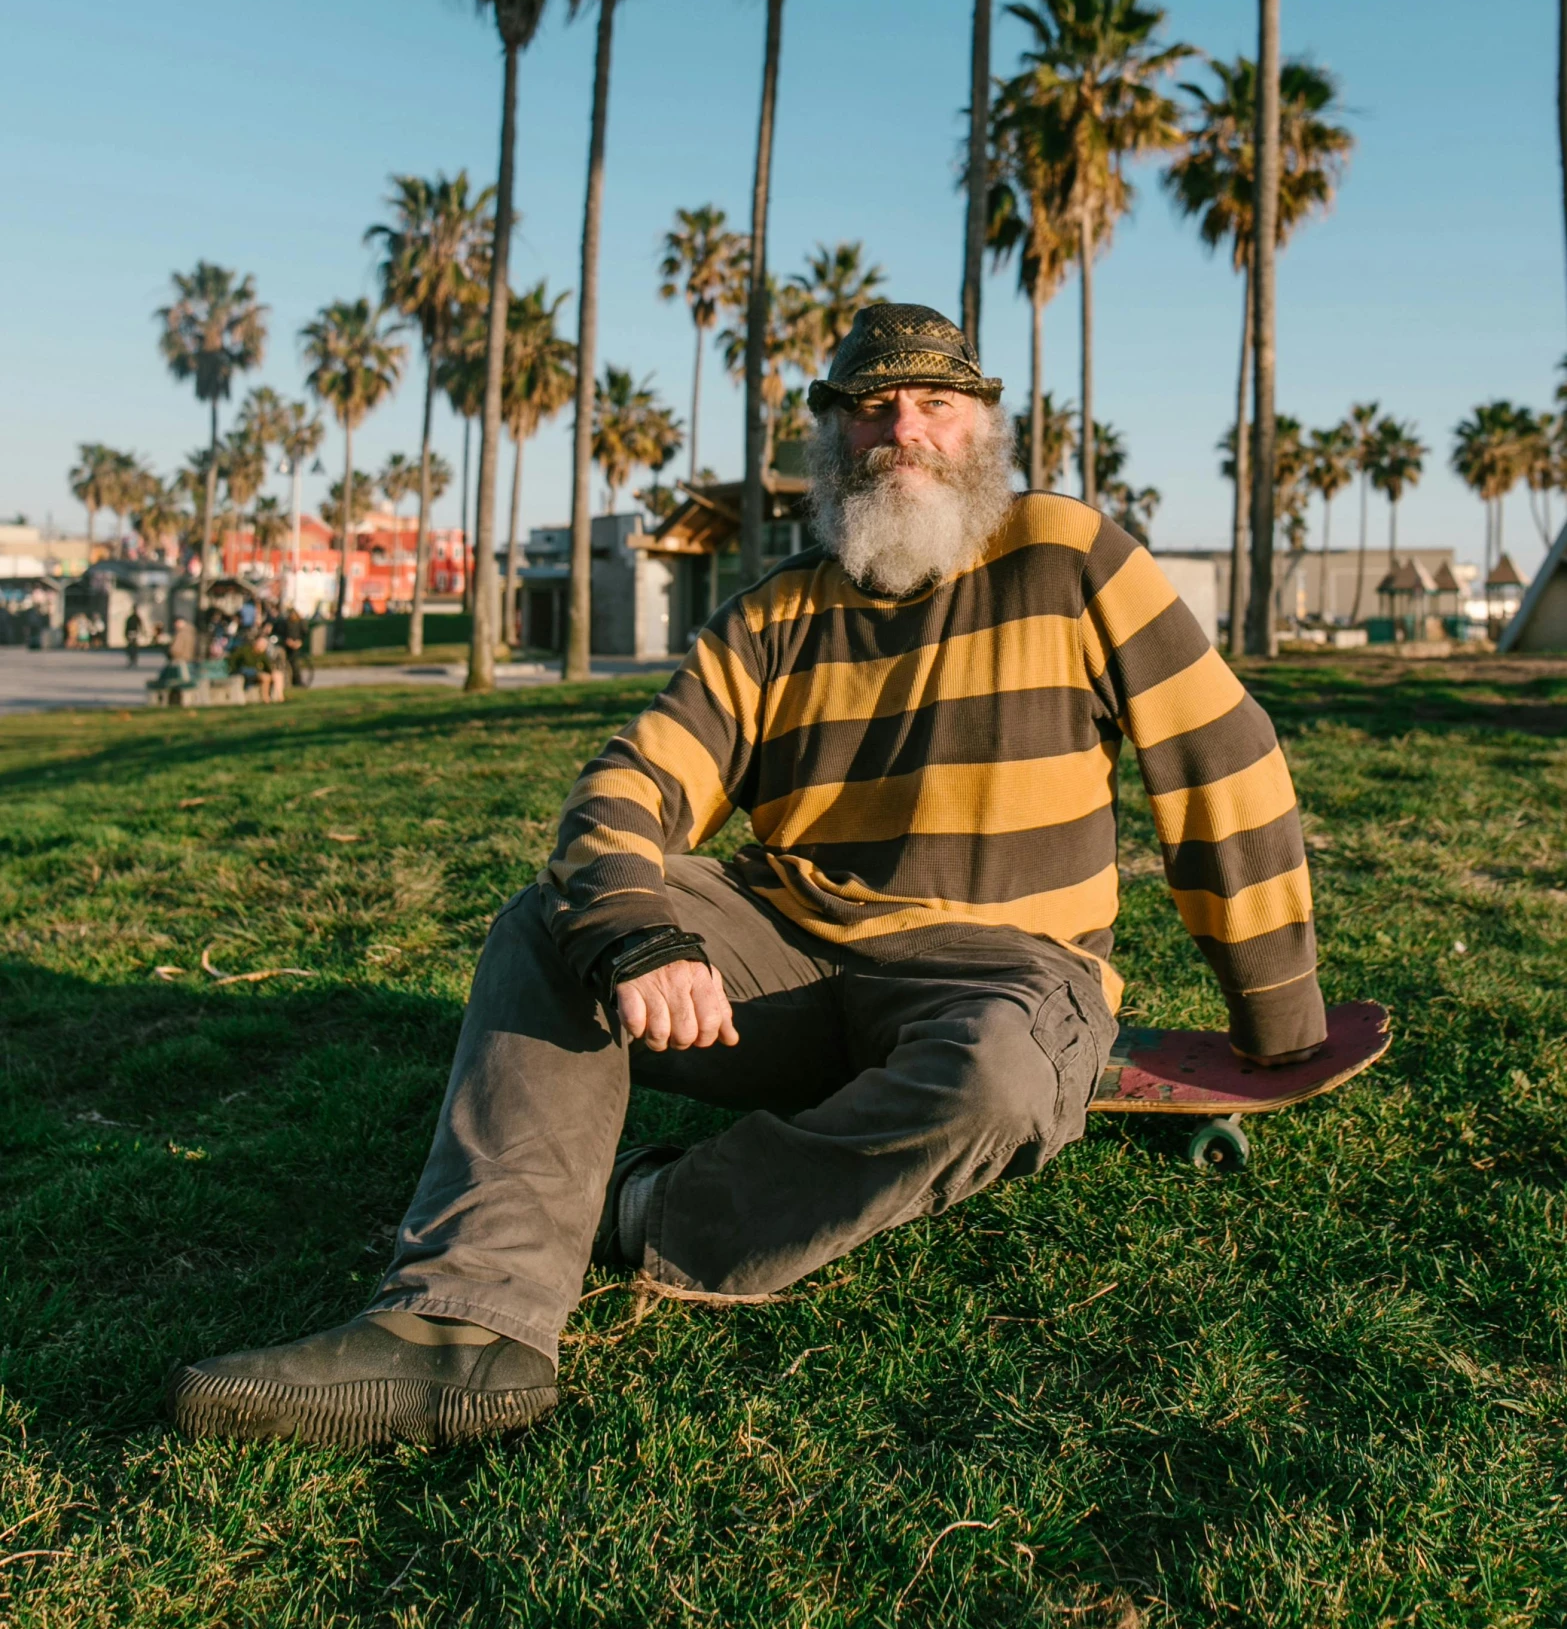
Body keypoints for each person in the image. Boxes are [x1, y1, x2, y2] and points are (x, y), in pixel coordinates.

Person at [168, 305, 1326, 1451]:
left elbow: (1219, 758)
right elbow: (628, 785)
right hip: (797, 958)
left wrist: (1274, 1026)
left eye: (934, 403)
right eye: (870, 409)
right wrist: (639, 931)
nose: (902, 431)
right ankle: (460, 1333)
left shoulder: (1067, 555)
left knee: (999, 1079)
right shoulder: (774, 616)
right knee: (549, 926)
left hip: (1006, 977)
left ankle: (637, 1208)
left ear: (982, 427)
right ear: (830, 440)